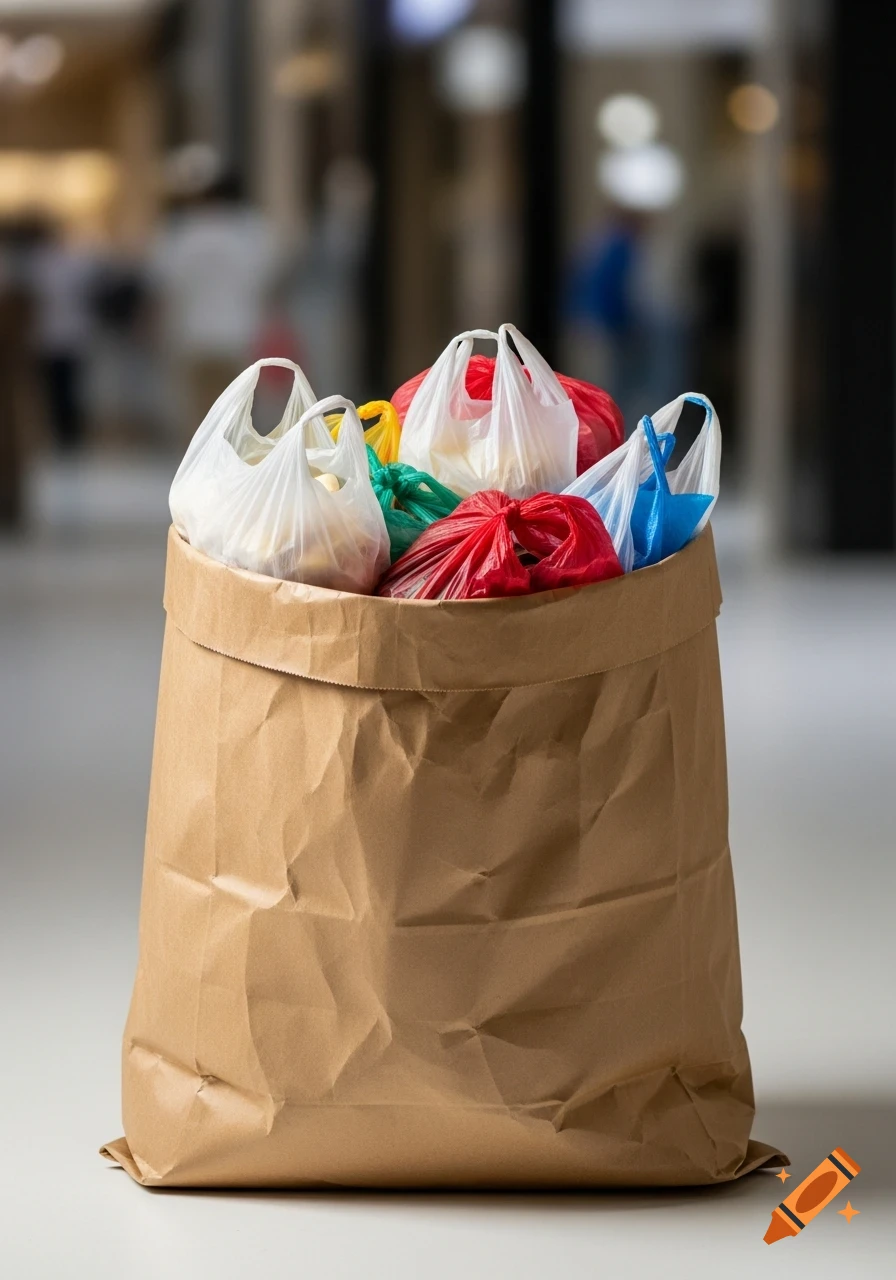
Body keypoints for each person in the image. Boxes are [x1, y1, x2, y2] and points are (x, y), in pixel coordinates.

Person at [151, 175, 277, 439]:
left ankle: (201, 471)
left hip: (193, 334)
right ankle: (238, 469)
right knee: (241, 411)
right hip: (240, 332)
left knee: (199, 415)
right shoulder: (253, 234)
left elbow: (166, 283)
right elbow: (267, 279)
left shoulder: (184, 233)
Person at [28, 223, 101, 452]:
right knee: (64, 387)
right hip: (62, 335)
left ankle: (65, 433)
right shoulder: (70, 263)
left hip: (59, 334)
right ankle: (66, 433)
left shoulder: (39, 265)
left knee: (59, 387)